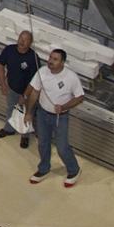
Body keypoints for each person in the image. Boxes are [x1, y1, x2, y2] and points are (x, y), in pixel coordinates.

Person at [25, 48, 86, 187]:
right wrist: (29, 112)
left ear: (62, 62)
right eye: (50, 57)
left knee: (62, 147)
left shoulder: (71, 77)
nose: (50, 61)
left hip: (60, 117)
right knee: (42, 143)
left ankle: (74, 170)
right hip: (42, 114)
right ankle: (44, 168)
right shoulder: (42, 72)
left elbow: (80, 97)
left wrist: (64, 107)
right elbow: (35, 92)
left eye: (55, 59)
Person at [0, 30, 40, 149]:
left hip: (28, 93)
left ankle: (25, 135)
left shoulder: (33, 58)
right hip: (12, 89)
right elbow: (0, 65)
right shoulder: (9, 50)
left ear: (30, 43)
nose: (22, 41)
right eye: (21, 38)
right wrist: (3, 84)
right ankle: (9, 129)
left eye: (25, 40)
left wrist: (24, 95)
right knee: (10, 109)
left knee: (27, 113)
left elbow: (34, 81)